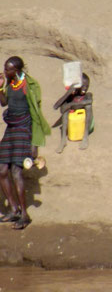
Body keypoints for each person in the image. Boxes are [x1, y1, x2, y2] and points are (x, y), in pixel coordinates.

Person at [0, 56, 50, 230]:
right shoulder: (10, 83)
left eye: (8, 69)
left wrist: (34, 145)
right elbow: (4, 103)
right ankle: (13, 209)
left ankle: (24, 215)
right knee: (2, 170)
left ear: (17, 69)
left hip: (23, 129)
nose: (5, 72)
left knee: (16, 171)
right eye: (5, 69)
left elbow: (36, 115)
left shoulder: (29, 86)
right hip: (11, 128)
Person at [53, 72, 94, 153]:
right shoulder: (71, 96)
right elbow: (56, 107)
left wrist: (71, 104)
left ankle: (85, 137)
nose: (85, 88)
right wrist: (68, 93)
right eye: (83, 85)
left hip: (82, 115)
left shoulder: (87, 95)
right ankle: (63, 140)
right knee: (65, 111)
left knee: (88, 106)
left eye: (87, 86)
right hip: (72, 114)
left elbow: (89, 101)